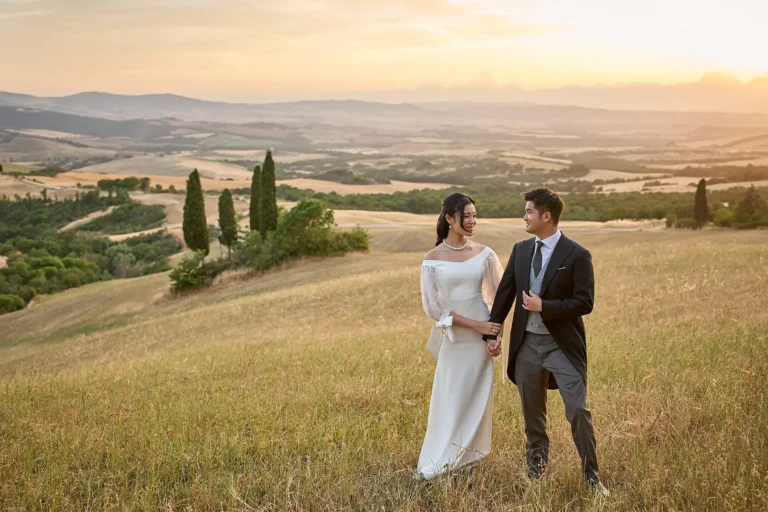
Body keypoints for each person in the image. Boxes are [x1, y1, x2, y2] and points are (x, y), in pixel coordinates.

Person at [484, 188, 609, 497]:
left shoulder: (577, 254)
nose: (524, 217)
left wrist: (546, 307)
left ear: (546, 216)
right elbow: (506, 293)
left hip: (562, 347)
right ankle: (536, 477)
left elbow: (585, 302)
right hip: (526, 346)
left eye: (528, 211)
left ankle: (592, 478)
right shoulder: (521, 250)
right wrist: (493, 331)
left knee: (578, 411)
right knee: (533, 419)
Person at [416, 192, 504, 480]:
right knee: (451, 396)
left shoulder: (486, 254)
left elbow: (498, 299)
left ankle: (467, 458)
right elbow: (435, 310)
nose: (472, 221)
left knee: (476, 398)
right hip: (457, 339)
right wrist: (477, 327)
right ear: (449, 219)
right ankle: (441, 458)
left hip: (482, 341)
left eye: (474, 216)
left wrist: (494, 334)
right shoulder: (432, 260)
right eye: (466, 216)